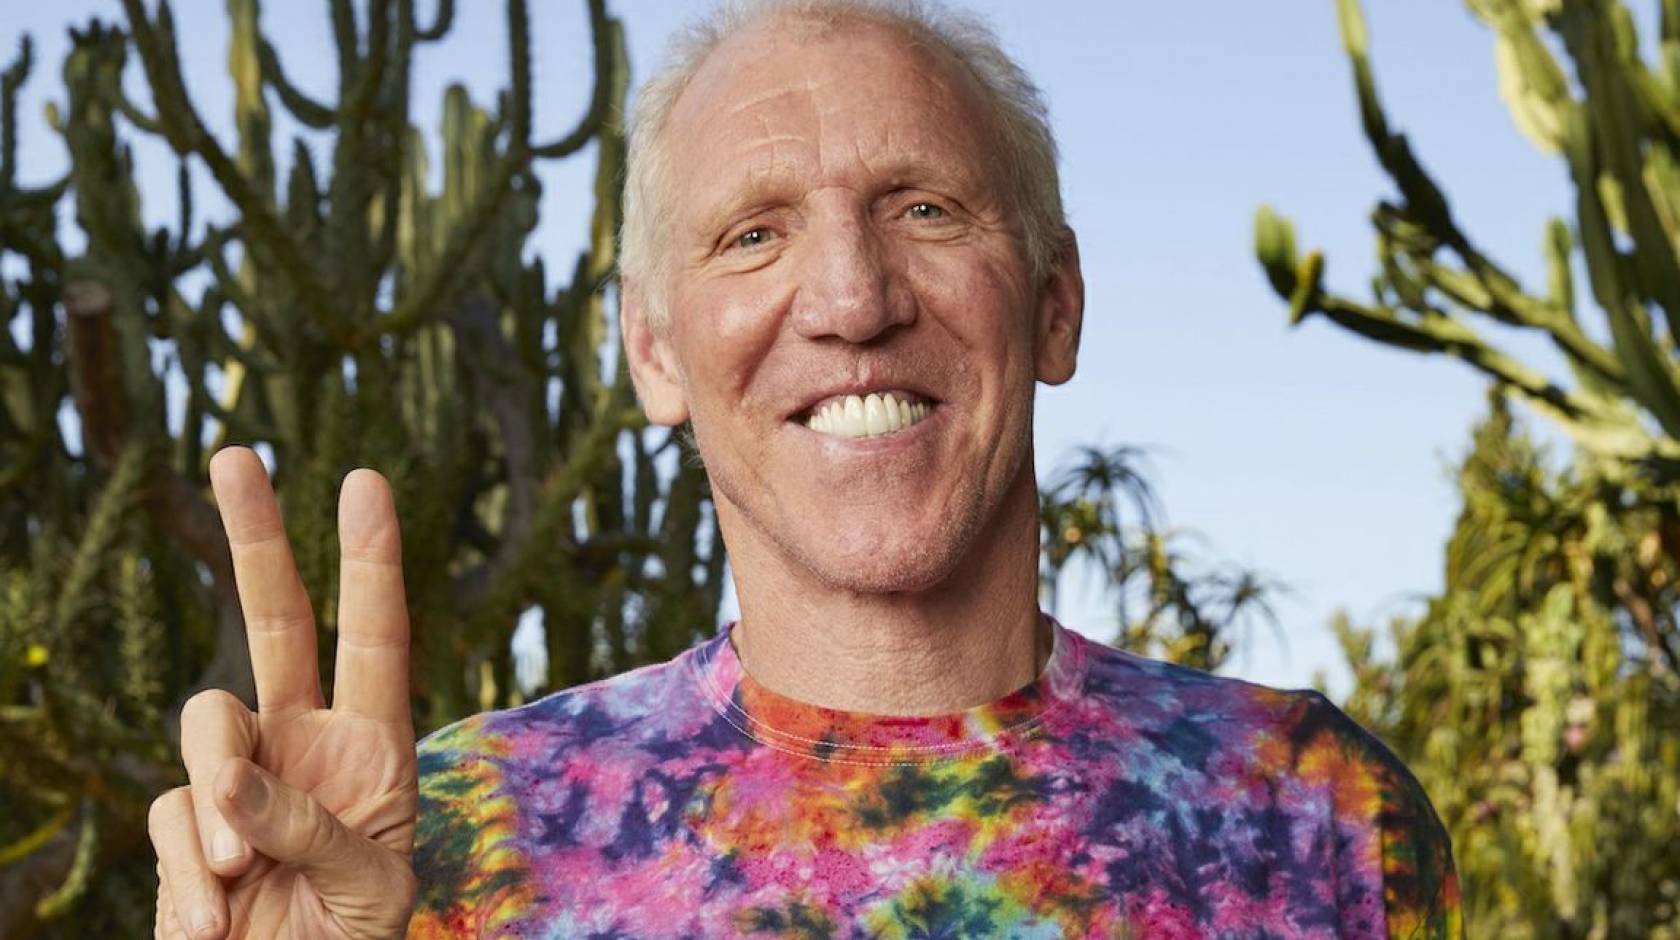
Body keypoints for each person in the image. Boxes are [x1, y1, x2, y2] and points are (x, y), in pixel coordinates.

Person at [147, 0, 1464, 937]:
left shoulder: (1313, 813)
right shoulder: (445, 843)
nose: (850, 297)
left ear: (1055, 303)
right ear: (653, 352)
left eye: (925, 210)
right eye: (752, 235)